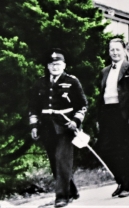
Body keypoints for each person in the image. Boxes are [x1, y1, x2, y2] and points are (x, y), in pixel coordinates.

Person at [29, 49, 88, 207]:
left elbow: (82, 105)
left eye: (58, 64)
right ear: (48, 66)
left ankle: (62, 196)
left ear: (64, 65)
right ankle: (72, 190)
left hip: (66, 127)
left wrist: (76, 121)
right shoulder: (40, 83)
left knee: (62, 160)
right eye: (52, 64)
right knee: (55, 163)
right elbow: (33, 107)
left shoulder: (72, 81)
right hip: (47, 128)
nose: (55, 67)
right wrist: (34, 126)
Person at [96, 38, 129, 198]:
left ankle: (126, 186)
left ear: (124, 51)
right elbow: (100, 96)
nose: (115, 53)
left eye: (118, 49)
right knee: (104, 149)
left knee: (126, 150)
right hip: (108, 113)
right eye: (112, 50)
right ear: (109, 52)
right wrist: (98, 118)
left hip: (125, 114)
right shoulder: (104, 71)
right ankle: (120, 180)